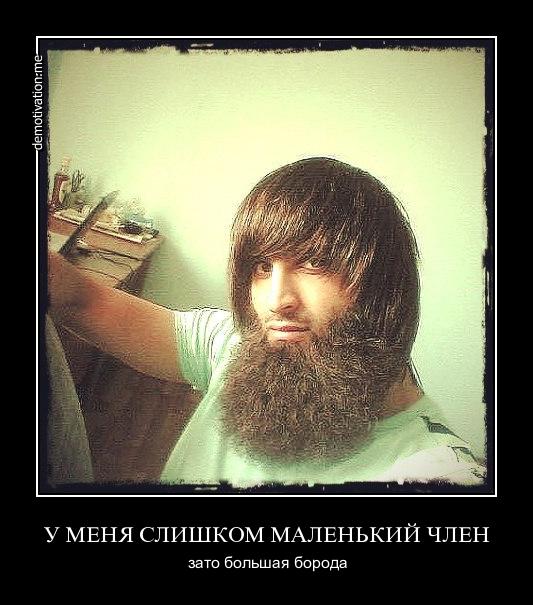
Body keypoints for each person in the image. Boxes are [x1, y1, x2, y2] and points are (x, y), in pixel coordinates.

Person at [48, 157, 486, 487]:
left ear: (382, 283)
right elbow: (82, 300)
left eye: (313, 262)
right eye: (262, 267)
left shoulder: (434, 470)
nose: (276, 301)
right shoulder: (237, 349)